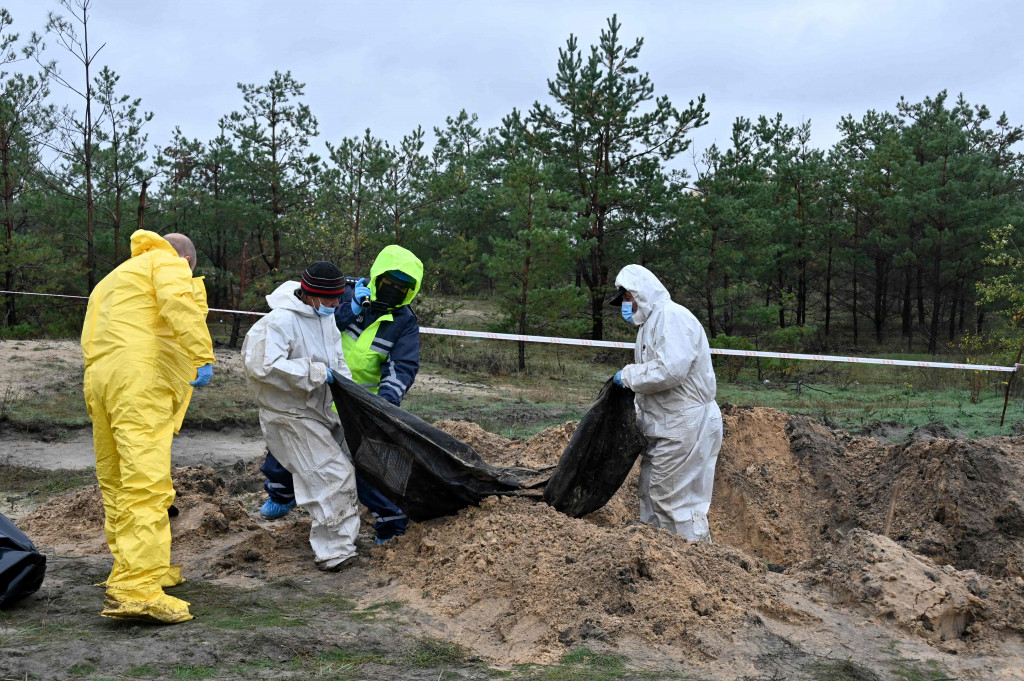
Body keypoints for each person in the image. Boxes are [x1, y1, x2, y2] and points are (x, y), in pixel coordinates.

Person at [81, 230, 215, 624]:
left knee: (117, 478)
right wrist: (202, 354)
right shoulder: (167, 262)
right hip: (140, 378)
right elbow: (179, 303)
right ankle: (138, 588)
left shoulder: (115, 276)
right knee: (146, 482)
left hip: (100, 378)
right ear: (187, 260)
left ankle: (132, 568)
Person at [259, 245, 424, 545]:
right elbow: (312, 323)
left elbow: (402, 368)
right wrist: (352, 310)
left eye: (403, 288)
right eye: (389, 283)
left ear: (411, 291)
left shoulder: (404, 323)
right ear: (377, 276)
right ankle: (281, 493)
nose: (393, 291)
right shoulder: (344, 291)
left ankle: (389, 520)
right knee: (288, 439)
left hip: (360, 400)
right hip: (317, 384)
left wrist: (384, 404)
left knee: (361, 460)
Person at [242, 262, 361, 571]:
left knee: (346, 463)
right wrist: (317, 373)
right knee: (332, 475)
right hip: (287, 415)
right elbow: (262, 366)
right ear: (312, 295)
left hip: (315, 411)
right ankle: (334, 552)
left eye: (339, 298)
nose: (338, 304)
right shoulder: (279, 322)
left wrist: (352, 393)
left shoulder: (326, 320)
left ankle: (339, 537)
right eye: (332, 298)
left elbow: (337, 362)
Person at [609, 264, 722, 543]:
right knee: (651, 493)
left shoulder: (671, 318)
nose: (624, 306)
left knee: (673, 500)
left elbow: (671, 370)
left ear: (640, 293)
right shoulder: (650, 325)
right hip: (666, 425)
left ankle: (694, 562)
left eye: (626, 298)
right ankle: (659, 565)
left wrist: (630, 375)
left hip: (685, 424)